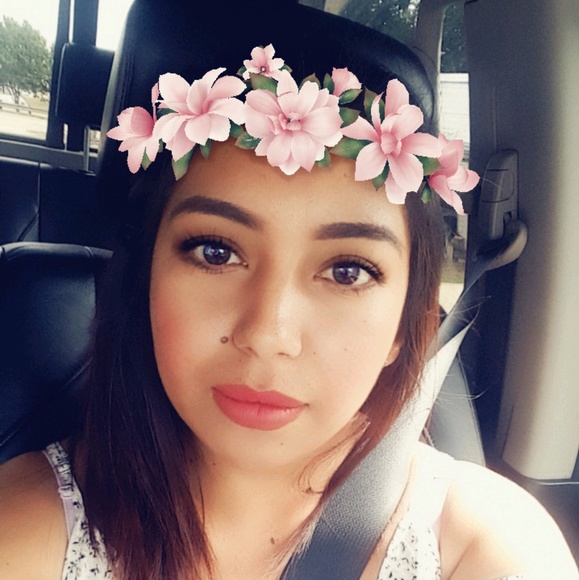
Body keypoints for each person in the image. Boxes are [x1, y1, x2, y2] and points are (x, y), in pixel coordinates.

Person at [0, 41, 577, 580]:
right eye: (215, 252)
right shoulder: (23, 529)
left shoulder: (488, 546)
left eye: (347, 272)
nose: (269, 334)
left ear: (410, 327)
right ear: (144, 282)